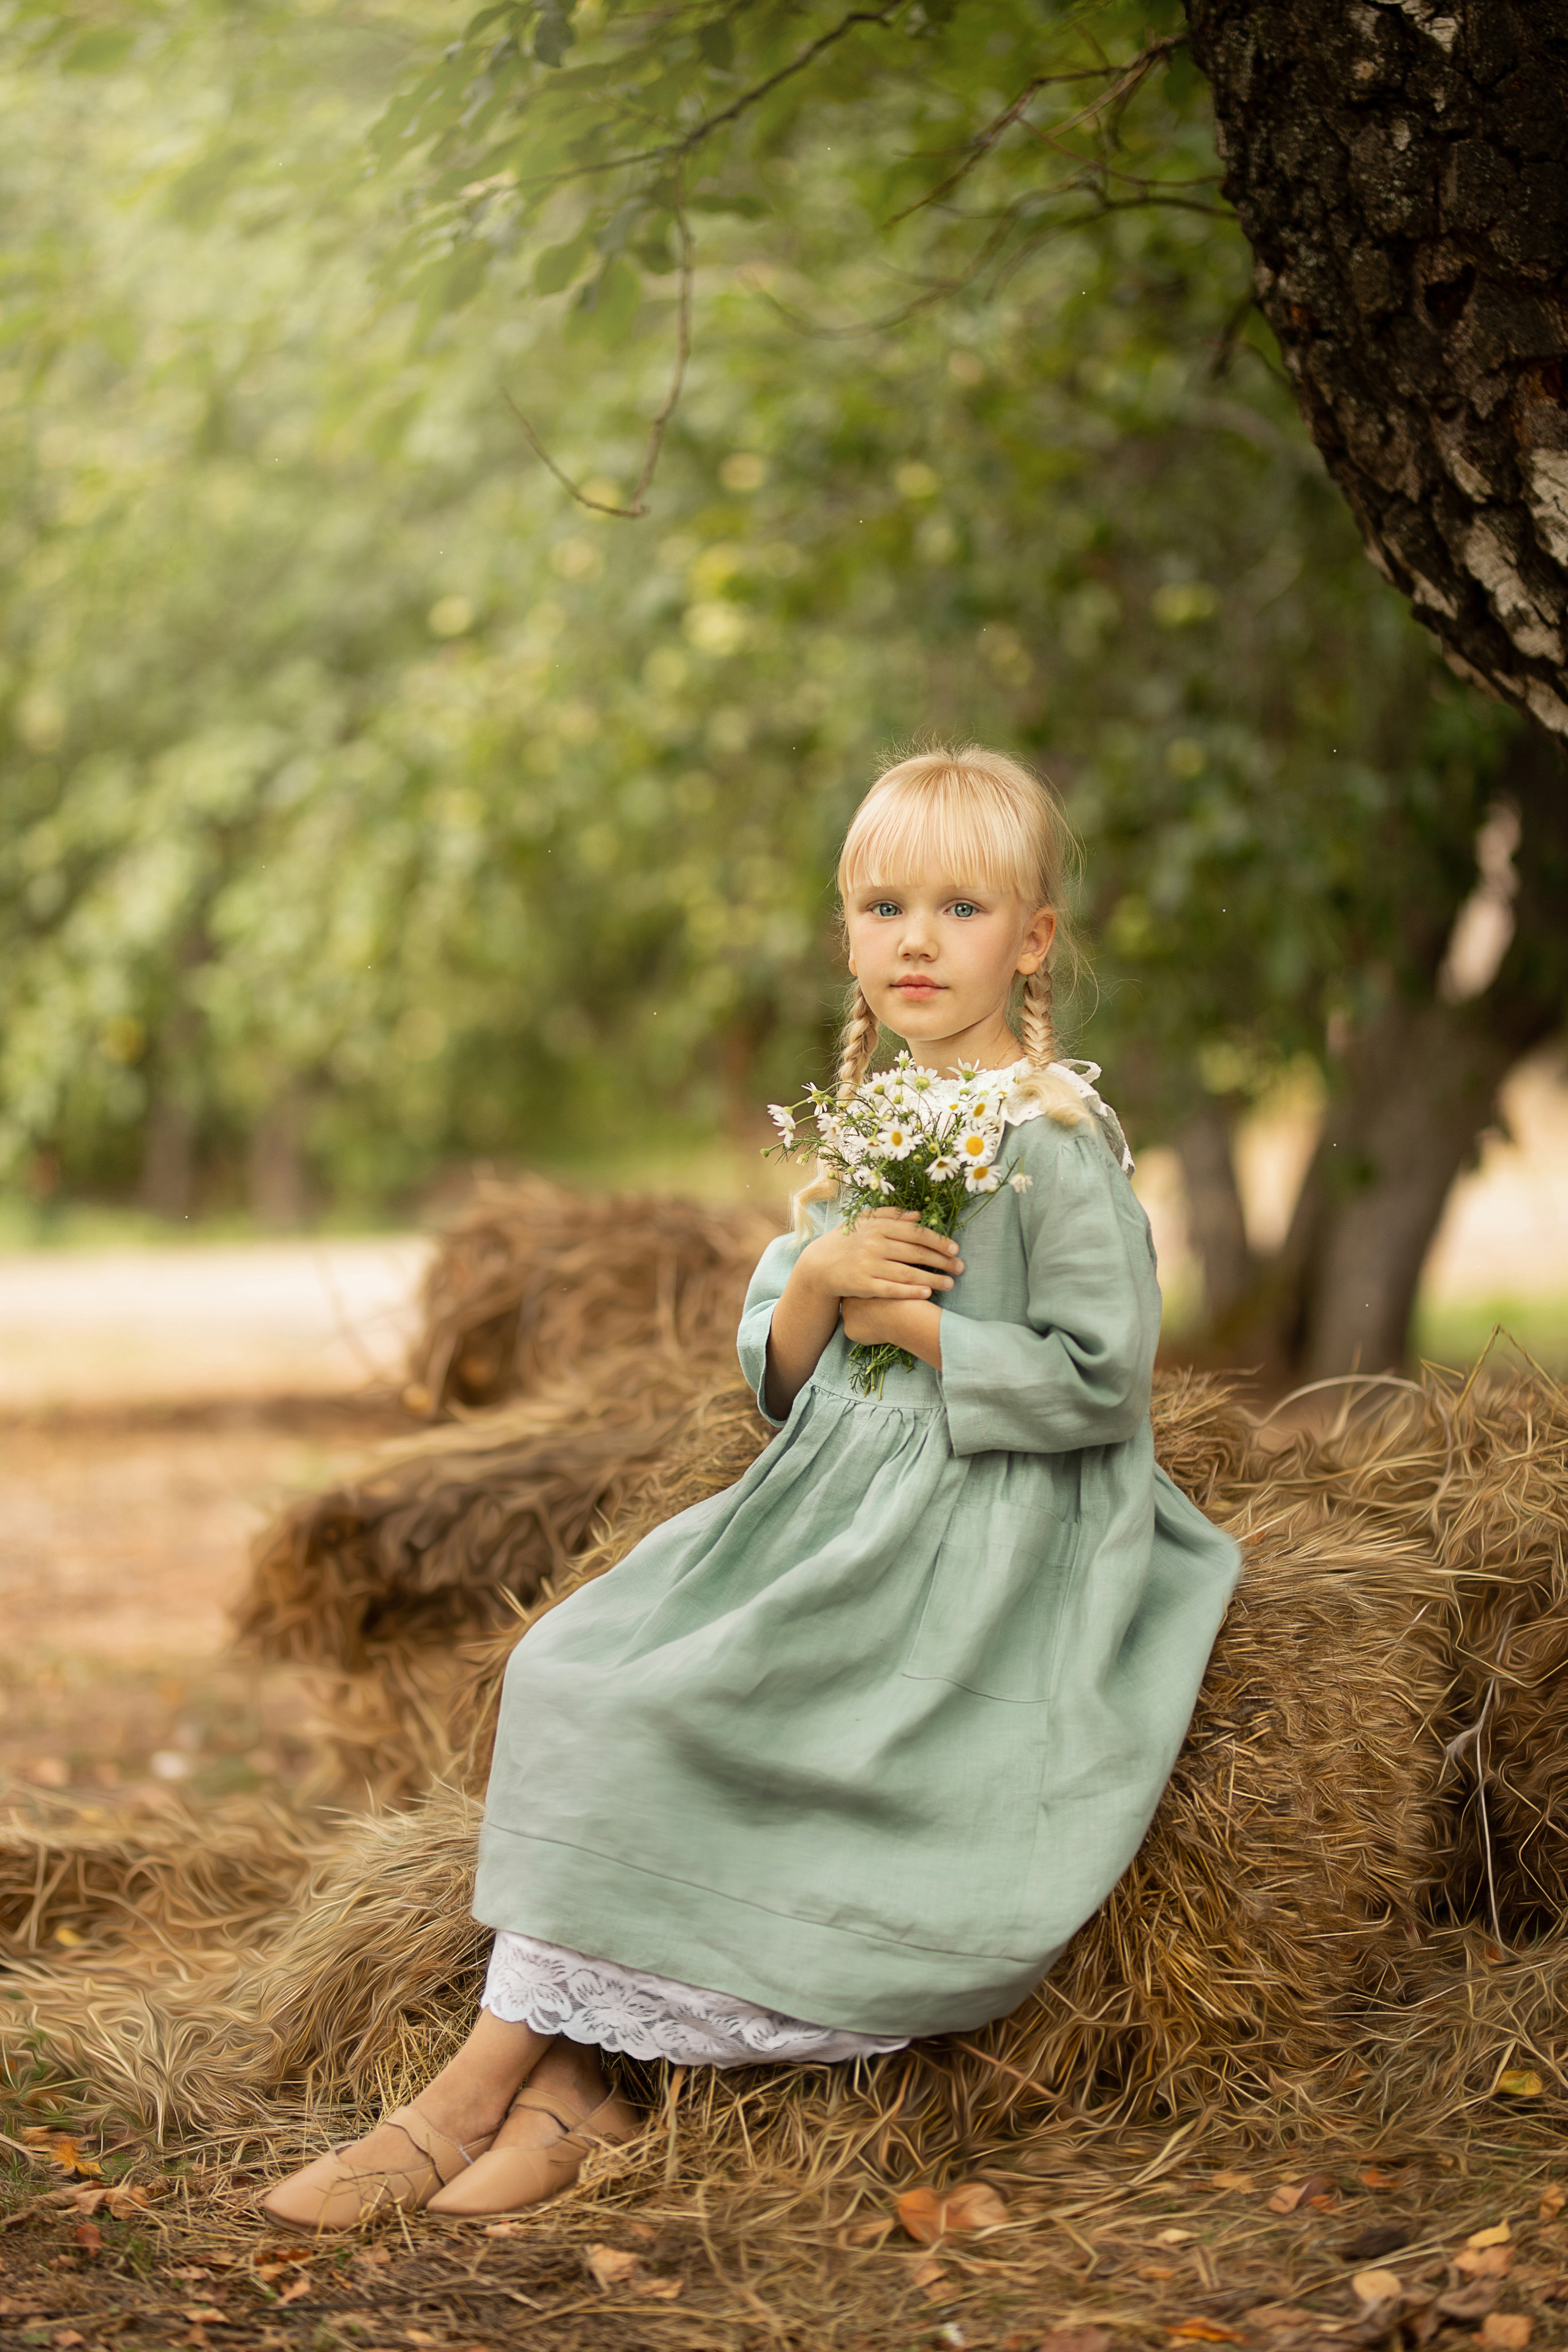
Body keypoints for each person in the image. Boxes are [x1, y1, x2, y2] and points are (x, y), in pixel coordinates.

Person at [262, 744, 1241, 2230]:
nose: (915, 940)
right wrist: (821, 1286)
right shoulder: (872, 1122)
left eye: (960, 908)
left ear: (1030, 940)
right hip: (837, 1495)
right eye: (882, 906)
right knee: (576, 1667)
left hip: (985, 1523)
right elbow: (775, 1363)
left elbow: (1101, 1379)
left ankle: (470, 2097)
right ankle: (564, 2089)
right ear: (847, 932)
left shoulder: (1053, 1142)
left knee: (689, 1713)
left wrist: (918, 1329)